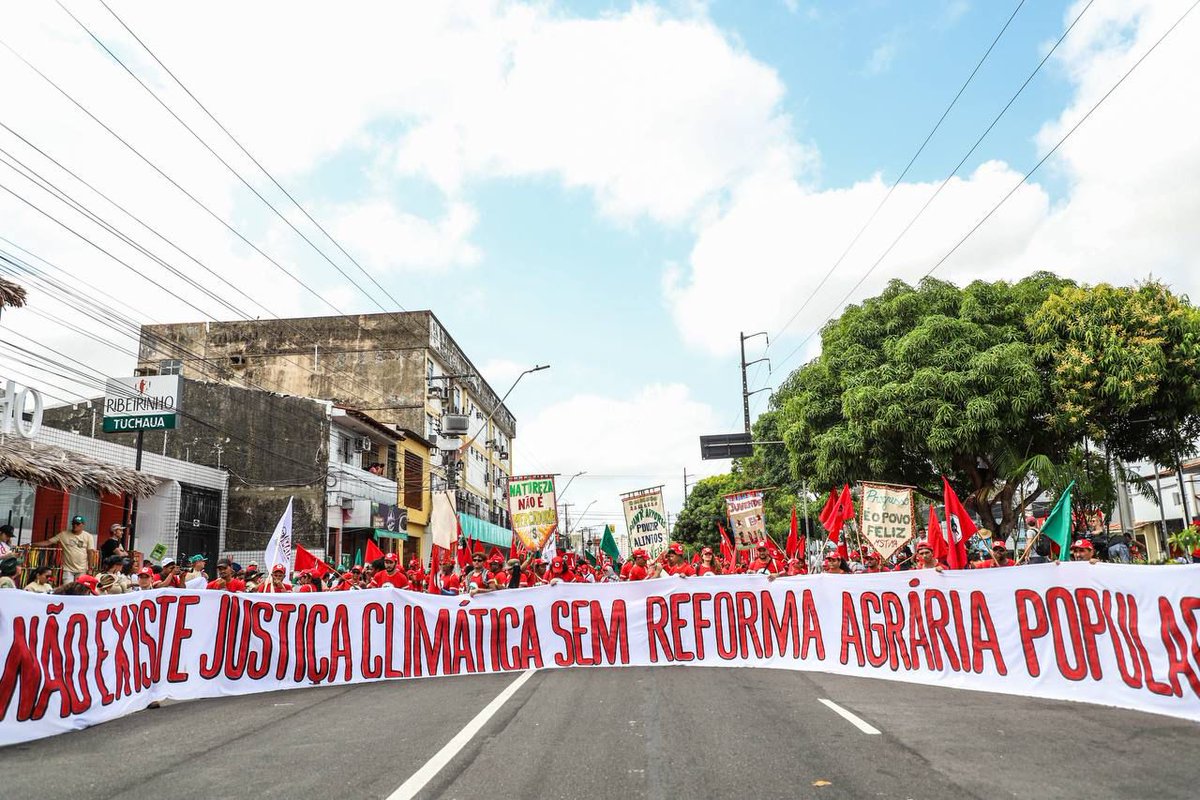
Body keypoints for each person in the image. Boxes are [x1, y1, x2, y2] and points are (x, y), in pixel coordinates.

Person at [49, 515, 95, 582]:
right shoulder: (63, 534)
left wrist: (90, 568)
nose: (75, 525)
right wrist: (31, 544)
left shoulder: (88, 536)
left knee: (79, 590)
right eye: (73, 523)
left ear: (83, 525)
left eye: (78, 524)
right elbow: (48, 542)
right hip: (67, 569)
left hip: (82, 569)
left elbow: (90, 553)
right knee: (68, 588)